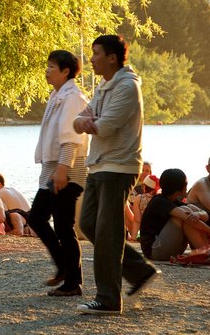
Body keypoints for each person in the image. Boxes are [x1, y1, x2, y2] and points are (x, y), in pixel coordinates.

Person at [73, 34, 157, 315]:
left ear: (112, 57)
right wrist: (88, 120)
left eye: (96, 53)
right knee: (88, 224)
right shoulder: (104, 85)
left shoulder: (127, 87)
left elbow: (106, 126)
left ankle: (108, 299)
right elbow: (79, 119)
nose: (92, 59)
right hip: (99, 164)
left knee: (107, 232)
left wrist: (90, 121)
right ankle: (139, 270)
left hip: (119, 166)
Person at [27, 47, 90, 296]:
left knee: (64, 226)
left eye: (52, 67)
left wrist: (63, 169)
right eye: (48, 66)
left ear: (66, 72)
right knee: (37, 218)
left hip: (67, 170)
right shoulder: (58, 95)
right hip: (54, 170)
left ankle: (73, 282)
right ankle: (64, 268)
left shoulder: (72, 98)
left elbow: (71, 138)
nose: (47, 70)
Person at [139, 169, 210, 261]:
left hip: (170, 248)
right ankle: (207, 253)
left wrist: (198, 214)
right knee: (185, 213)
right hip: (154, 250)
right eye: (186, 183)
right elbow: (186, 217)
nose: (187, 186)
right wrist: (209, 230)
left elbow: (205, 215)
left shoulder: (174, 202)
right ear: (178, 186)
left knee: (190, 209)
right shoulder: (159, 201)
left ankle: (207, 252)